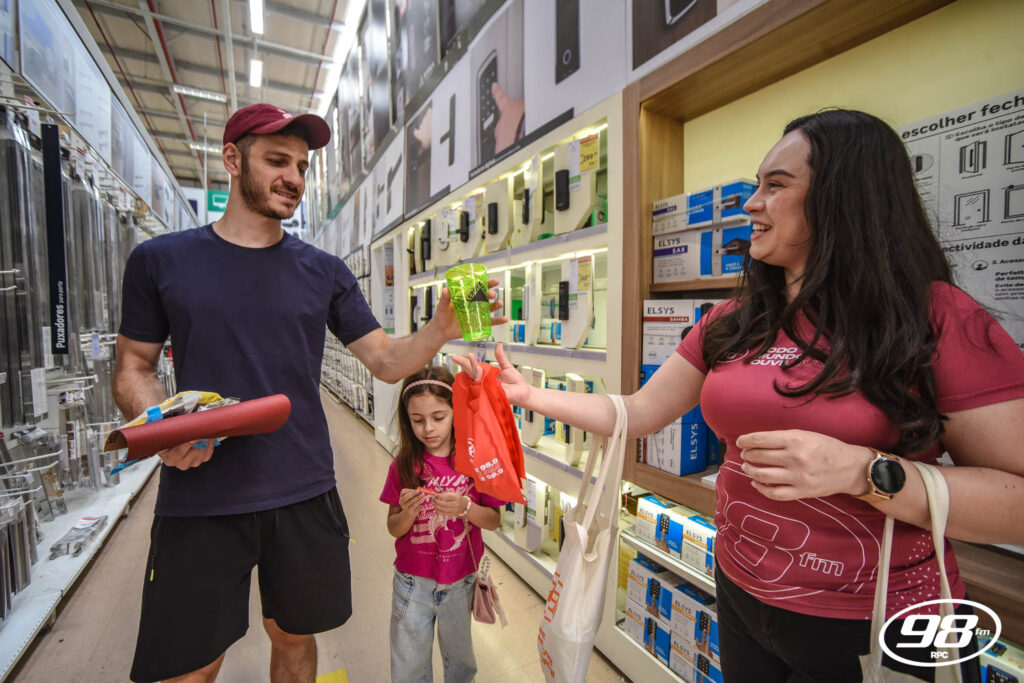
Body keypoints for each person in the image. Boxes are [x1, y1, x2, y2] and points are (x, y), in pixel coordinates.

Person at [456, 109, 1024, 682]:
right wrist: (529, 395)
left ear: (844, 198)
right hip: (740, 593)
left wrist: (863, 472)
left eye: (776, 185)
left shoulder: (937, 318)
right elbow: (639, 411)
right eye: (757, 184)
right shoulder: (733, 320)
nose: (751, 203)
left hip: (877, 619)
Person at [112, 102, 506, 683]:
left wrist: (439, 331)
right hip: (201, 495)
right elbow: (133, 365)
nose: (293, 177)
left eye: (301, 166)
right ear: (232, 160)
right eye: (277, 161)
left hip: (302, 488)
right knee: (190, 664)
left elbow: (385, 361)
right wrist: (160, 423)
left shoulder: (323, 271)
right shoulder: (161, 260)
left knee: (295, 637)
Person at [380, 366, 503, 683]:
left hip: (460, 581)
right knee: (408, 665)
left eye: (438, 417)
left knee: (460, 661)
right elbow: (393, 527)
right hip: (411, 583)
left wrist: (466, 507)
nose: (428, 429)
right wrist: (408, 513)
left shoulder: (475, 460)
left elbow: (493, 520)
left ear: (456, 412)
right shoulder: (403, 464)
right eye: (417, 420)